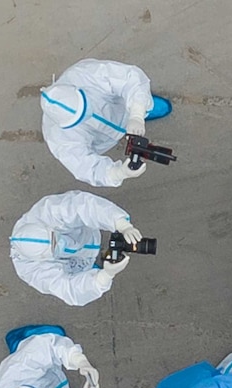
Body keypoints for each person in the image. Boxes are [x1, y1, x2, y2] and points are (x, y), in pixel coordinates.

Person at [40, 58, 173, 187]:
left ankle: (140, 107)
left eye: (85, 108)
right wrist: (117, 173)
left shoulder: (84, 74)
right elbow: (84, 167)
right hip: (102, 138)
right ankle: (137, 110)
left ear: (78, 91)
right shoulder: (58, 138)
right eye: (80, 119)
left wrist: (137, 114)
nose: (87, 116)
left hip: (119, 107)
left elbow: (129, 79)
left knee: (138, 100)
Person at [9, 190, 143, 306]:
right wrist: (103, 277)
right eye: (54, 247)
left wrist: (119, 223)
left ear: (48, 227)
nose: (64, 243)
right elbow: (68, 289)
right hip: (80, 265)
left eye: (55, 238)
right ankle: (95, 268)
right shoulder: (33, 271)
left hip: (88, 233)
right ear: (42, 258)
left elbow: (82, 206)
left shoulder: (47, 213)